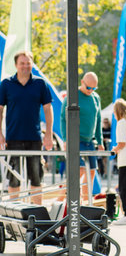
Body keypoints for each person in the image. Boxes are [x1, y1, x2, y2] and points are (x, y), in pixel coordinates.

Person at [0, 51, 53, 205]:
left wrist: (48, 134)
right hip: (13, 137)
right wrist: (0, 135)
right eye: (22, 63)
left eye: (28, 63)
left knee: (36, 177)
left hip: (34, 138)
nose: (25, 66)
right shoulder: (6, 84)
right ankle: (14, 212)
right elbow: (0, 110)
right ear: (16, 65)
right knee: (13, 179)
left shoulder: (40, 84)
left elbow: (48, 109)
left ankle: (36, 215)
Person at [60, 71, 104, 202]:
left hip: (89, 141)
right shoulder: (73, 96)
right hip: (75, 139)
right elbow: (63, 118)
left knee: (91, 171)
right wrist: (66, 139)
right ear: (82, 83)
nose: (91, 90)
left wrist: (100, 141)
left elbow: (98, 119)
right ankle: (60, 199)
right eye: (88, 87)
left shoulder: (96, 98)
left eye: (94, 88)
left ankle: (85, 201)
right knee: (78, 172)